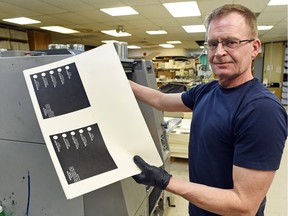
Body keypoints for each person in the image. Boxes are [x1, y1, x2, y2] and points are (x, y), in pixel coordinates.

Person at [130, 4, 287, 216]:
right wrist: (124, 83)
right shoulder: (207, 91)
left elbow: (244, 205)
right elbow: (160, 100)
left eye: (231, 42)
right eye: (213, 44)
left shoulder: (261, 109)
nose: (219, 52)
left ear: (254, 47)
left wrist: (167, 181)